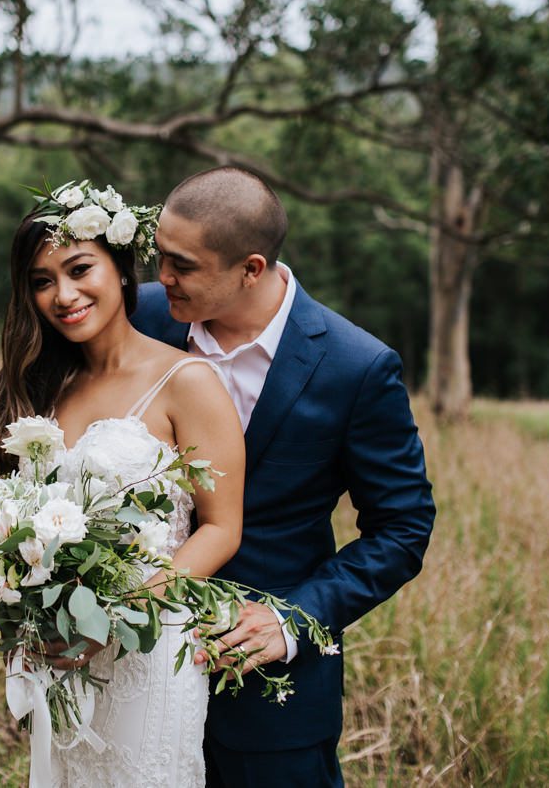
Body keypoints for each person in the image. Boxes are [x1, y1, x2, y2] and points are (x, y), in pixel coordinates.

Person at [130, 167, 435, 788]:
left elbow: (402, 528)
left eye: (182, 266)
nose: (162, 278)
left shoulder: (357, 367)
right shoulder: (139, 316)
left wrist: (296, 618)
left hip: (267, 698)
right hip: (129, 673)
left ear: (251, 268)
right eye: (159, 256)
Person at [0, 183, 246, 788]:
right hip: (63, 655)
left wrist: (112, 617)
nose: (62, 295)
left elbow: (221, 528)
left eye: (78, 269)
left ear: (121, 268)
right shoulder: (45, 386)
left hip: (149, 646)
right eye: (42, 281)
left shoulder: (187, 382)